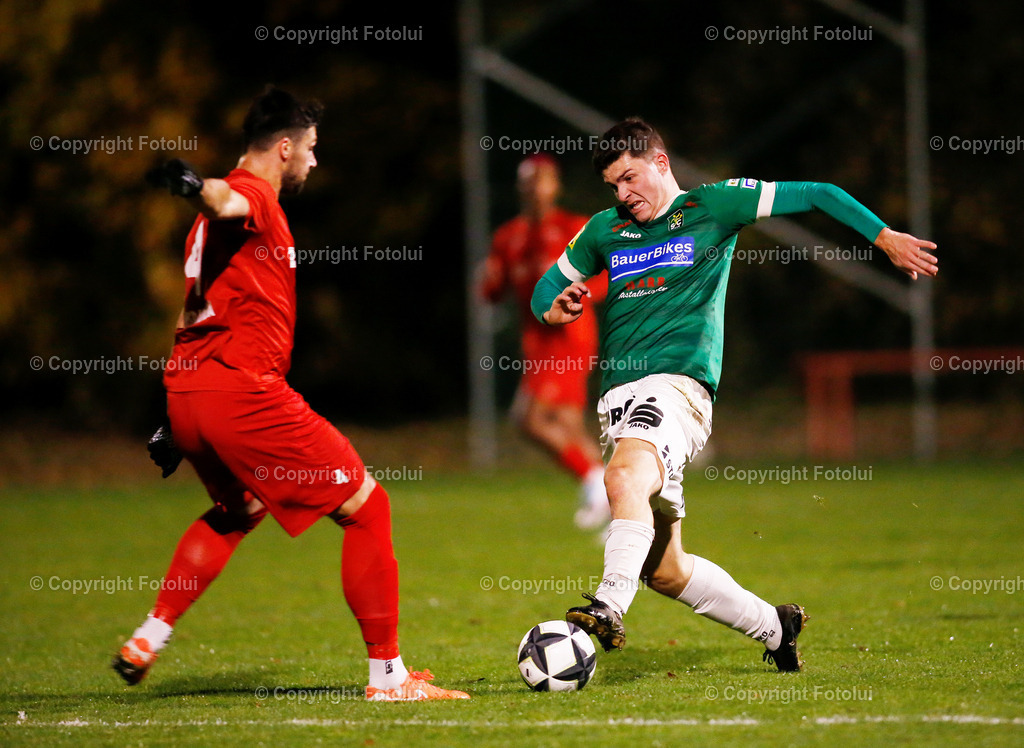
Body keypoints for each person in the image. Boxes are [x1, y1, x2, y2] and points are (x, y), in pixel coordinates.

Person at [532, 117, 938, 671]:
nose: (624, 195)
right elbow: (545, 292)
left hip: (677, 391)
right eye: (613, 186)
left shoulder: (714, 207)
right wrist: (557, 308)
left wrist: (883, 236)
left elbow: (819, 193)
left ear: (661, 163)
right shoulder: (605, 230)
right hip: (619, 406)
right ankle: (776, 626)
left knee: (622, 478)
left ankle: (606, 608)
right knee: (664, 570)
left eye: (630, 178)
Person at [113, 86, 468, 701]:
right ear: (285, 147)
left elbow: (200, 309)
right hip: (242, 392)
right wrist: (196, 186)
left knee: (238, 510)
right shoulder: (248, 195)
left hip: (191, 388)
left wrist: (180, 416)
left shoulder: (216, 227)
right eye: (311, 149)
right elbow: (224, 198)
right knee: (367, 507)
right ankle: (388, 677)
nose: (314, 162)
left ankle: (150, 633)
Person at [481, 154, 610, 529]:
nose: (535, 187)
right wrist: (487, 281)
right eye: (528, 180)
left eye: (543, 179)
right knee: (568, 426)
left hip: (570, 338)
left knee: (528, 417)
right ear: (520, 187)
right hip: (537, 345)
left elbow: (609, 275)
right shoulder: (508, 238)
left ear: (556, 186)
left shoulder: (576, 228)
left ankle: (593, 481)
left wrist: (577, 295)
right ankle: (620, 510)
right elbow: (492, 291)